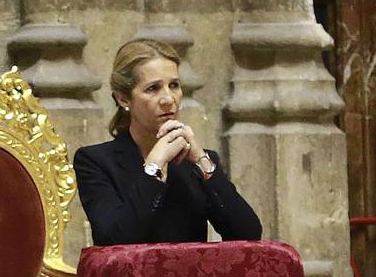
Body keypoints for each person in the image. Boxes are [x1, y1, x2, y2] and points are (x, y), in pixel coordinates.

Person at [75, 39, 262, 246]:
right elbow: (116, 240)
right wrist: (154, 165)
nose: (168, 99)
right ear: (123, 99)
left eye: (174, 85)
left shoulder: (196, 162)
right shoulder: (95, 161)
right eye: (153, 88)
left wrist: (201, 159)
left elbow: (248, 233)